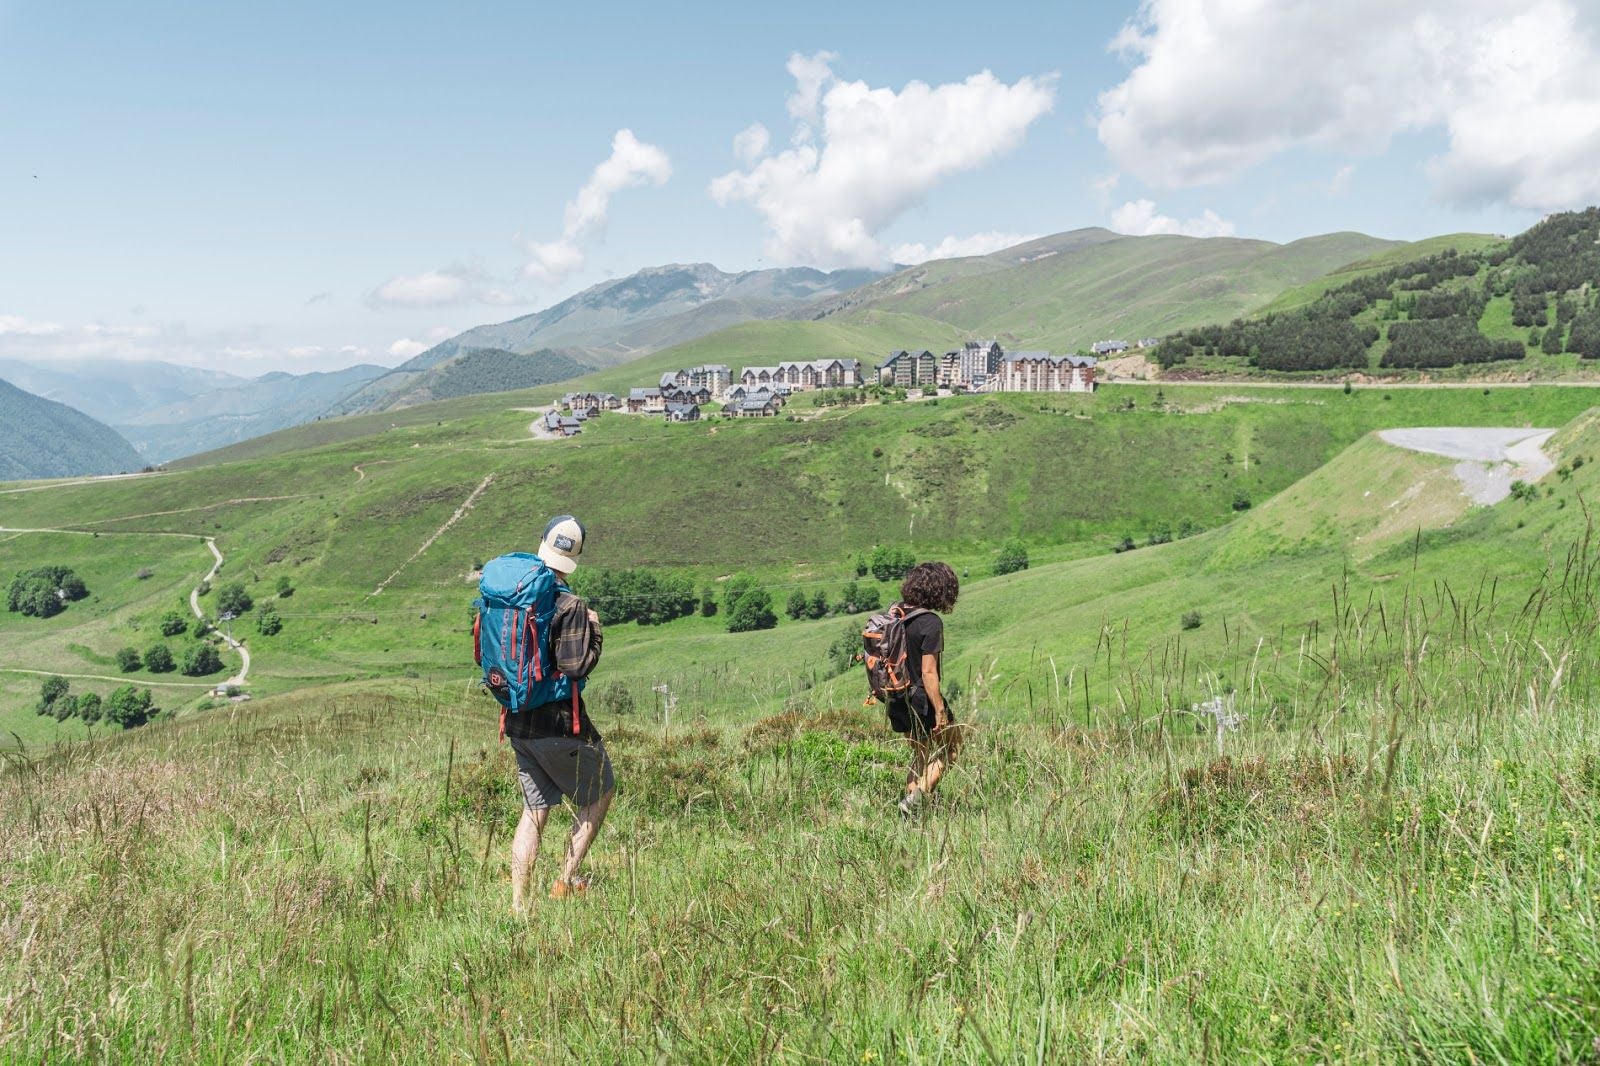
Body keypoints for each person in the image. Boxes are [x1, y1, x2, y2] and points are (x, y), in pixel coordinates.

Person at [507, 515, 615, 912]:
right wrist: (596, 633)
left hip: (518, 722)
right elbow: (575, 667)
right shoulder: (570, 605)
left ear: (541, 543)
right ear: (576, 556)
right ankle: (566, 880)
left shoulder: (516, 595)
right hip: (559, 725)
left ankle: (519, 905)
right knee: (600, 791)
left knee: (534, 811)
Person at [884, 561, 960, 816]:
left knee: (920, 754)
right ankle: (916, 800)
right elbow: (928, 672)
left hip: (896, 697)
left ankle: (911, 814)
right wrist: (940, 710)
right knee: (954, 747)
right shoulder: (930, 622)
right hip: (921, 699)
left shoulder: (896, 614)